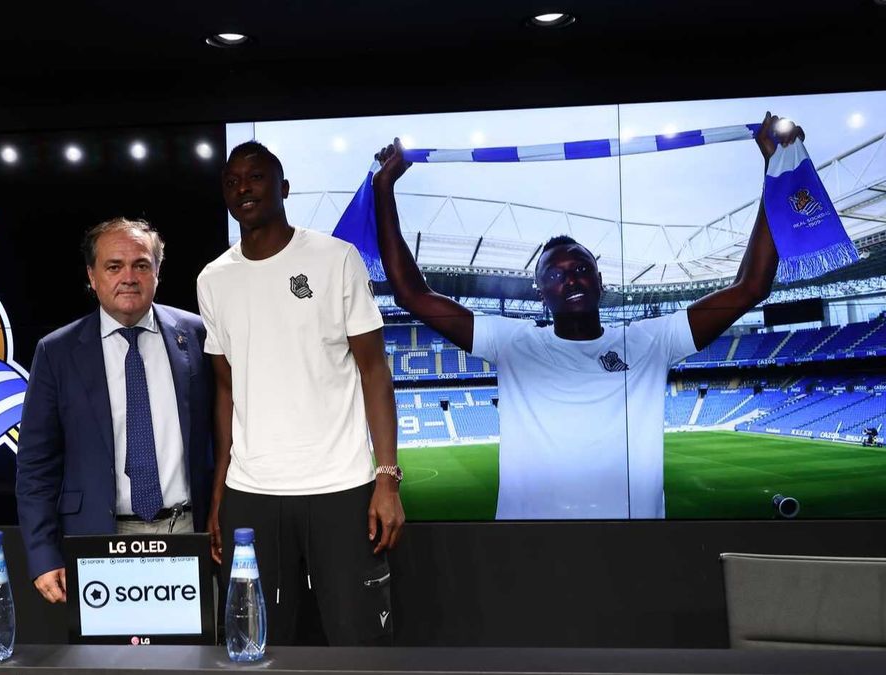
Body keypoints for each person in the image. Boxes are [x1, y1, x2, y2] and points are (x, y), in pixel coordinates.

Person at [372, 112, 802, 519]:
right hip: (528, 547)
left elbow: (750, 287)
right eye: (555, 274)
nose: (571, 279)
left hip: (631, 548)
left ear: (601, 282)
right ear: (540, 294)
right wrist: (383, 190)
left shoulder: (651, 340)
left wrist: (775, 171)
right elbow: (412, 293)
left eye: (581, 269)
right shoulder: (511, 342)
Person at [197, 141, 403, 645]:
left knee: (360, 645)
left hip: (340, 488)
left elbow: (375, 371)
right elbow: (226, 390)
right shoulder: (213, 280)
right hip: (252, 493)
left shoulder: (336, 259)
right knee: (257, 646)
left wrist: (387, 479)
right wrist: (220, 492)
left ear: (284, 188)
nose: (243, 188)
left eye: (256, 177)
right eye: (232, 181)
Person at [16, 217, 213, 603]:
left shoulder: (197, 335)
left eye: (141, 265)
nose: (129, 277)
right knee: (113, 645)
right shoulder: (56, 352)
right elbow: (36, 466)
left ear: (157, 272)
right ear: (92, 276)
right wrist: (42, 554)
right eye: (113, 266)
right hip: (98, 538)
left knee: (193, 644)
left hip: (187, 530)